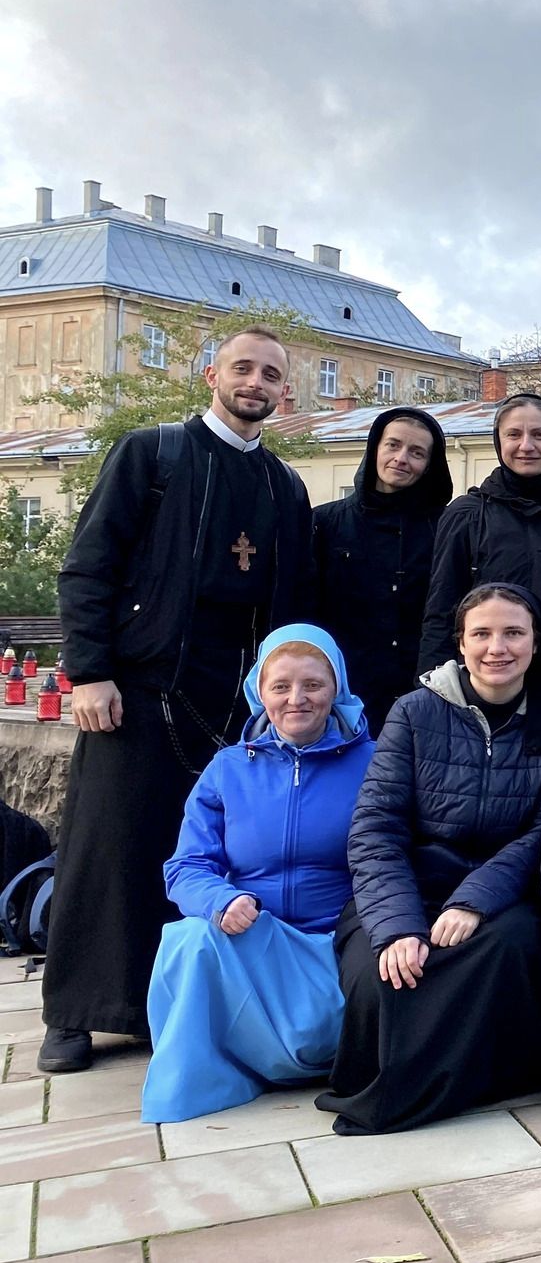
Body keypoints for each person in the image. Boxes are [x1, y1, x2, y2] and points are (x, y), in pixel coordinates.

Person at [41, 324, 313, 1075]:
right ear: (211, 375)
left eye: (270, 374)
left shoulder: (283, 487)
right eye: (243, 368)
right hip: (135, 691)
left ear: (283, 392)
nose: (255, 382)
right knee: (109, 849)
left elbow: (287, 604)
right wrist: (88, 671)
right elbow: (88, 569)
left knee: (203, 859)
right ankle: (77, 1012)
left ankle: (169, 1005)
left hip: (231, 707)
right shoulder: (152, 455)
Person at [319, 584, 541, 1134]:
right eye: (481, 633)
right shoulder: (413, 713)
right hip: (408, 886)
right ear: (460, 643)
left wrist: (475, 900)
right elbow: (376, 828)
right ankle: (392, 1083)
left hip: (502, 895)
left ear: (535, 642)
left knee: (510, 949)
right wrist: (398, 926)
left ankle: (479, 1081)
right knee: (382, 969)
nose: (496, 647)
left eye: (513, 633)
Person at [142, 626, 375, 1122]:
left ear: (337, 687)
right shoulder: (227, 769)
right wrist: (219, 901)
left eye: (313, 684)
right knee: (187, 940)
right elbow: (186, 865)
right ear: (259, 692)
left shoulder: (377, 763)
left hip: (337, 947)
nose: (297, 699)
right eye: (281, 686)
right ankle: (206, 1080)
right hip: (253, 940)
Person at [420, 392, 541, 720]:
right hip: (489, 691)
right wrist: (435, 696)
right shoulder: (467, 515)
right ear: (498, 442)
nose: (526, 445)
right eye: (514, 434)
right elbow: (441, 609)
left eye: (540, 434)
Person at [311, 407, 454, 732]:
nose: (401, 458)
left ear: (430, 464)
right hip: (342, 694)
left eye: (417, 452)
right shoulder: (325, 523)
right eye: (393, 445)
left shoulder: (447, 528)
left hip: (421, 695)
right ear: (375, 447)